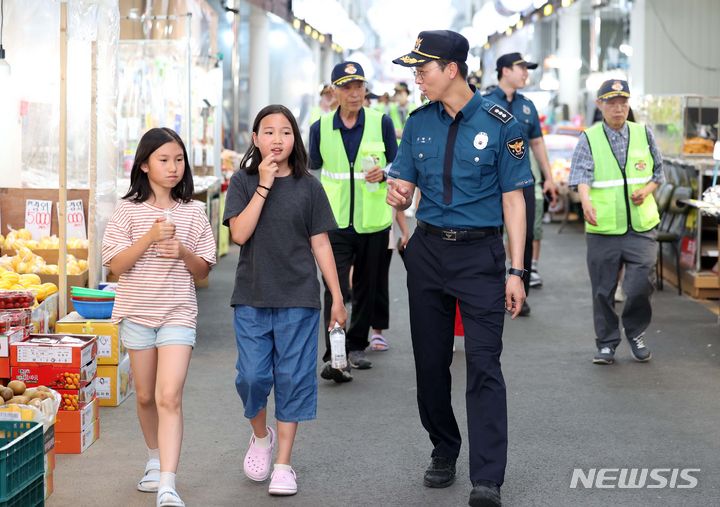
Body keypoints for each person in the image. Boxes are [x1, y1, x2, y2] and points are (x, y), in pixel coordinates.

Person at [387, 30, 532, 507]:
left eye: (423, 70)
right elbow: (404, 184)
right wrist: (399, 195)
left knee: (484, 365)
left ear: (451, 69)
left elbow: (514, 200)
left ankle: (487, 477)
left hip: (480, 258)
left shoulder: (502, 123)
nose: (417, 78)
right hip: (428, 252)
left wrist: (517, 270)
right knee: (430, 365)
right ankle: (444, 447)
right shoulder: (418, 122)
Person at [223, 105, 347, 496]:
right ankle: (261, 437)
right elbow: (239, 235)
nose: (277, 139)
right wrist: (263, 184)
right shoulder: (242, 181)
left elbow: (321, 243)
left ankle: (283, 464)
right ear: (256, 139)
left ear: (295, 139)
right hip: (252, 296)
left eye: (286, 132)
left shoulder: (309, 186)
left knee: (293, 378)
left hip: (299, 298)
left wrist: (337, 297)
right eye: (269, 132)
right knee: (253, 377)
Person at [102, 127, 217, 507]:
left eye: (179, 160)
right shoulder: (127, 211)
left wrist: (181, 251)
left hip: (178, 314)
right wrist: (149, 238)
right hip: (136, 313)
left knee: (170, 395)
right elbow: (115, 266)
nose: (173, 167)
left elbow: (202, 271)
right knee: (147, 395)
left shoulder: (195, 212)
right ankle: (153, 457)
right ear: (144, 165)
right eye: (164, 160)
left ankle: (168, 482)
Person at [308, 61, 398, 381]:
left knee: (367, 286)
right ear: (334, 91)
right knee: (333, 287)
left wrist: (386, 172)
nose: (354, 93)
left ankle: (356, 345)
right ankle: (335, 353)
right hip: (333, 221)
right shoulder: (320, 127)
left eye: (359, 86)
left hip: (373, 219)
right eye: (346, 87)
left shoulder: (381, 122)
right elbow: (312, 169)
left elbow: (399, 164)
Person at [569, 79, 664, 365]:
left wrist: (646, 190)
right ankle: (607, 343)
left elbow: (659, 172)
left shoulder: (643, 133)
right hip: (604, 227)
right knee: (603, 289)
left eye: (623, 102)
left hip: (641, 227)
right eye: (611, 102)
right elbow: (580, 176)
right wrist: (586, 202)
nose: (618, 108)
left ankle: (635, 332)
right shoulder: (589, 137)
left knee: (639, 285)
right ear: (600, 105)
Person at [486, 52, 558, 314]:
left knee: (525, 236)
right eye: (521, 68)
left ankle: (520, 291)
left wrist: (548, 176)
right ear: (504, 70)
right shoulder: (484, 102)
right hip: (491, 183)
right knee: (491, 233)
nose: (526, 72)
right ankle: (492, 290)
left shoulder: (527, 105)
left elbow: (537, 142)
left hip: (522, 180)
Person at [368, 208, 410, 351]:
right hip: (350, 232)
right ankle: (351, 335)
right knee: (354, 282)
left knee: (379, 282)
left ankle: (377, 331)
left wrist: (405, 231)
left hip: (383, 232)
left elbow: (396, 203)